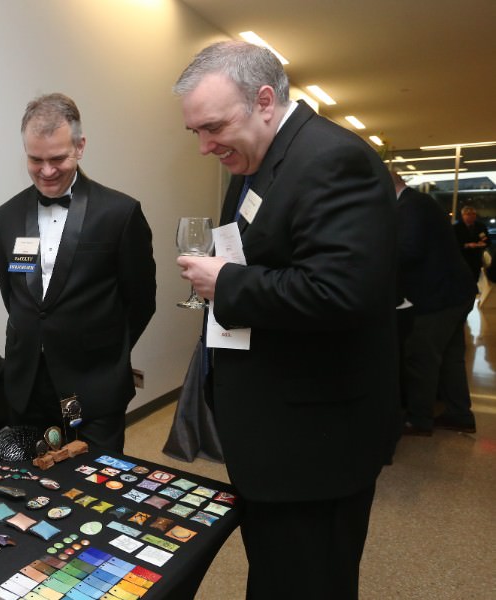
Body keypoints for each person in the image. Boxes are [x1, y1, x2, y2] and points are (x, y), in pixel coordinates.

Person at [173, 42, 399, 599]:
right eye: (195, 132)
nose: (204, 146)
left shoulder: (332, 159)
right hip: (273, 439)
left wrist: (227, 284)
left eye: (214, 127)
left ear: (264, 101)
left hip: (315, 451)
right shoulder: (259, 161)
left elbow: (342, 293)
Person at [0, 93, 156, 453]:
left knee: (93, 481)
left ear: (80, 147)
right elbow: (14, 296)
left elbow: (142, 301)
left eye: (57, 159)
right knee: (29, 480)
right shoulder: (6, 216)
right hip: (27, 387)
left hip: (93, 384)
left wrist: (104, 353)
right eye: (35, 159)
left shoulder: (119, 213)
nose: (47, 171)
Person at [394, 173, 477, 436]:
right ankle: (459, 414)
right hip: (456, 292)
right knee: (451, 358)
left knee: (421, 356)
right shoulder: (420, 202)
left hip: (437, 297)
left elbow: (408, 251)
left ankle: (419, 419)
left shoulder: (409, 206)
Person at [453, 205, 490, 282]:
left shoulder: (481, 226)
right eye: (468, 214)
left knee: (475, 281)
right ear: (463, 215)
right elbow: (453, 244)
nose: (472, 216)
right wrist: (467, 245)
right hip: (462, 259)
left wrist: (483, 243)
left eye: (473, 214)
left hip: (477, 260)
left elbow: (487, 241)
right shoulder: (456, 228)